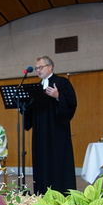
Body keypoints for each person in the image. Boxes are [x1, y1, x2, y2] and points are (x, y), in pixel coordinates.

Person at [24, 56, 77, 195]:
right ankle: (41, 194)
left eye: (41, 67)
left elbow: (72, 103)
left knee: (57, 163)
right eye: (36, 68)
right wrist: (24, 106)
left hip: (56, 133)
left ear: (50, 67)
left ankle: (61, 194)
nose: (38, 70)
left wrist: (58, 96)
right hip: (40, 134)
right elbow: (31, 110)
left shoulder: (62, 82)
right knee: (41, 163)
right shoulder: (36, 86)